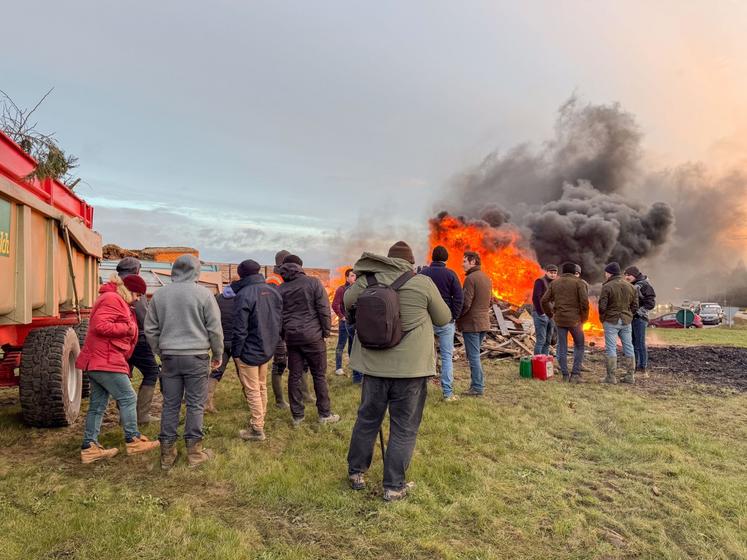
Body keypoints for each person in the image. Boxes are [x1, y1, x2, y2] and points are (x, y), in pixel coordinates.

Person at [345, 241, 451, 501]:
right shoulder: (422, 282)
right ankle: (393, 487)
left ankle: (356, 473)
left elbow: (347, 304)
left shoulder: (366, 281)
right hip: (410, 371)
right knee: (404, 427)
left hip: (374, 367)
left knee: (367, 420)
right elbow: (443, 318)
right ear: (410, 262)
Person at [145, 255, 224, 469]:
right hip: (197, 357)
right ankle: (194, 454)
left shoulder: (160, 295)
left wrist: (160, 350)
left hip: (170, 357)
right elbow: (215, 328)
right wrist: (218, 354)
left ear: (174, 270)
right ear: (196, 271)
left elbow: (150, 329)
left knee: (170, 404)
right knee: (195, 404)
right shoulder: (204, 294)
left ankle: (167, 455)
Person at [77, 274, 160, 464]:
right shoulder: (112, 299)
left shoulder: (112, 298)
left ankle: (89, 447)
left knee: (98, 405)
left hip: (100, 359)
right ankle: (133, 439)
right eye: (137, 295)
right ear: (128, 290)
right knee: (128, 397)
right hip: (106, 360)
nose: (137, 299)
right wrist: (127, 328)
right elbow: (100, 325)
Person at [276, 254, 340, 427]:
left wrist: (284, 335)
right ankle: (324, 414)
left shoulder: (280, 289)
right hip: (313, 337)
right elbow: (323, 309)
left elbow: (278, 316)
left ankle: (297, 416)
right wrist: (326, 331)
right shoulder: (313, 283)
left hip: (292, 338)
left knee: (294, 375)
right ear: (300, 267)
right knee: (319, 375)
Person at [231, 259, 283, 441]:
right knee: (261, 386)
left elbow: (239, 328)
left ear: (242, 274)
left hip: (249, 350)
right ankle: (260, 420)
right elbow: (278, 321)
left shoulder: (244, 294)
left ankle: (257, 428)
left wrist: (237, 352)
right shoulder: (273, 291)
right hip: (267, 347)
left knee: (253, 389)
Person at [115, 257, 161, 424]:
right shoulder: (133, 285)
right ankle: (142, 415)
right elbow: (142, 316)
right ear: (136, 270)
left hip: (118, 338)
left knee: (123, 374)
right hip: (137, 338)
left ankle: (125, 416)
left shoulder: (114, 285)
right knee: (151, 371)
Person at [267, 249, 314, 408]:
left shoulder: (287, 279)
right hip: (279, 330)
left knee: (302, 361)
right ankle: (280, 400)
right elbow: (274, 307)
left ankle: (305, 394)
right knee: (280, 364)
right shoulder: (273, 281)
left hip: (292, 328)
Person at [419, 245, 464, 401]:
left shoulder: (423, 274)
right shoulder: (450, 274)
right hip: (445, 321)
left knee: (424, 355)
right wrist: (454, 316)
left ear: (432, 257)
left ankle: (420, 391)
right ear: (446, 258)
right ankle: (447, 393)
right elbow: (459, 297)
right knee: (446, 357)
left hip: (426, 320)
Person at [540, 262, 589, 382]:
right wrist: (584, 318)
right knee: (579, 345)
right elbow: (584, 303)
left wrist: (550, 314)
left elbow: (544, 300)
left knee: (562, 346)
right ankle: (575, 374)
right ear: (574, 272)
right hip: (575, 320)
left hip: (560, 320)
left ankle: (565, 375)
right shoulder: (579, 283)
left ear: (563, 271)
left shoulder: (555, 283)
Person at [457, 251, 493, 397]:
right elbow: (490, 301)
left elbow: (466, 303)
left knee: (473, 357)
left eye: (464, 261)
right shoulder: (486, 278)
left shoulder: (470, 279)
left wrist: (457, 316)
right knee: (475, 355)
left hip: (472, 324)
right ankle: (476, 385)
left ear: (473, 262)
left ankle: (477, 387)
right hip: (483, 322)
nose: (462, 264)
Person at [599, 262, 639, 384]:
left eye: (606, 273)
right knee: (629, 347)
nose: (605, 275)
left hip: (611, 320)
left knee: (611, 348)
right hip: (626, 321)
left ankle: (611, 377)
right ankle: (630, 376)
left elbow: (602, 307)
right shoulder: (631, 286)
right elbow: (635, 306)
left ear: (610, 273)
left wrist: (604, 318)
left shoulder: (607, 286)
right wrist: (628, 315)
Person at [205, 274, 239, 413]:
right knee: (245, 373)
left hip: (221, 341)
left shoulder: (218, 298)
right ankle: (253, 402)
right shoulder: (242, 298)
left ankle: (207, 403)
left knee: (216, 371)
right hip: (238, 342)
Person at [624, 265, 656, 377]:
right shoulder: (633, 285)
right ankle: (634, 368)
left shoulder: (644, 285)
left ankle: (642, 369)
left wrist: (638, 312)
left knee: (640, 343)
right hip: (632, 318)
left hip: (640, 319)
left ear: (635, 275)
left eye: (629, 275)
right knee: (633, 343)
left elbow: (651, 303)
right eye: (625, 275)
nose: (626, 277)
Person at [332, 268, 363, 383]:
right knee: (341, 345)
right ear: (347, 277)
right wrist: (342, 317)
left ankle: (353, 367)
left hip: (353, 323)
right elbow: (335, 305)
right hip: (344, 322)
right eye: (352, 275)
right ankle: (338, 368)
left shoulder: (356, 290)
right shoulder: (341, 289)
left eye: (355, 275)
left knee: (352, 346)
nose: (354, 278)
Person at [531, 264, 558, 355]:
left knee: (548, 341)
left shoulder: (554, 284)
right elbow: (536, 298)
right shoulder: (540, 281)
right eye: (551, 272)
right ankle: (537, 361)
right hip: (540, 314)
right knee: (541, 340)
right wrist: (541, 313)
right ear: (546, 272)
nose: (553, 274)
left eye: (555, 273)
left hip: (551, 315)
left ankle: (544, 360)